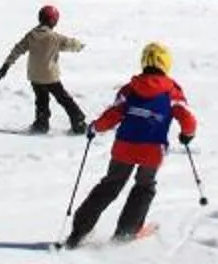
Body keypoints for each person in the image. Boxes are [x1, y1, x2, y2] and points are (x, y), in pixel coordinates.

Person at [67, 41, 197, 248]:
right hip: (152, 151)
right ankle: (126, 233)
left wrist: (95, 128)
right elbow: (187, 118)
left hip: (124, 147)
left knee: (110, 184)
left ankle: (79, 231)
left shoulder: (130, 89)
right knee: (144, 186)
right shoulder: (172, 91)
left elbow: (112, 115)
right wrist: (187, 134)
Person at [0, 2, 89, 134]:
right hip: (50, 77)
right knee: (64, 99)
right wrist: (80, 46)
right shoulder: (55, 37)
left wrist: (6, 66)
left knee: (41, 100)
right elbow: (70, 43)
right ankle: (78, 122)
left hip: (35, 76)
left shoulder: (31, 35)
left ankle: (41, 124)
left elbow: (18, 49)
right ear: (52, 21)